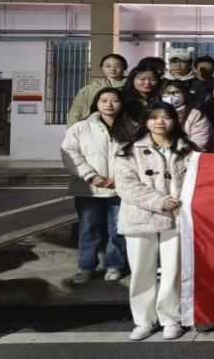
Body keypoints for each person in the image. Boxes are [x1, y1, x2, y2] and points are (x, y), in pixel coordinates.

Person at [114, 102, 197, 342]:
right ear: (145, 121)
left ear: (175, 121)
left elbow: (198, 179)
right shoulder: (128, 150)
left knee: (173, 270)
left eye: (166, 117)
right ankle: (143, 320)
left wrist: (178, 201)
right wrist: (160, 201)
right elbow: (126, 186)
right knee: (141, 270)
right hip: (140, 216)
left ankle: (171, 319)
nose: (160, 122)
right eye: (154, 117)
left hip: (178, 217)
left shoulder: (188, 149)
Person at [61, 88, 133, 285]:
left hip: (120, 189)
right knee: (88, 228)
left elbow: (138, 156)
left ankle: (114, 265)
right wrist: (90, 176)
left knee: (118, 229)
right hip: (89, 190)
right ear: (96, 103)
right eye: (104, 100)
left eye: (114, 100)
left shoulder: (132, 128)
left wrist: (121, 178)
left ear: (122, 103)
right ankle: (86, 267)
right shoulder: (80, 128)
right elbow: (70, 153)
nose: (109, 104)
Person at [67, 53, 128, 126]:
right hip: (93, 127)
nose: (112, 69)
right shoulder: (89, 90)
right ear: (102, 68)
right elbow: (76, 112)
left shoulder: (132, 87)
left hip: (125, 127)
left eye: (117, 66)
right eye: (108, 66)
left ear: (125, 67)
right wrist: (73, 130)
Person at [160, 81, 214, 151]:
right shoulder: (155, 113)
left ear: (184, 94)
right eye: (166, 93)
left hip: (186, 153)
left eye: (176, 92)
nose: (170, 96)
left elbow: (199, 143)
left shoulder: (196, 115)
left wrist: (174, 151)